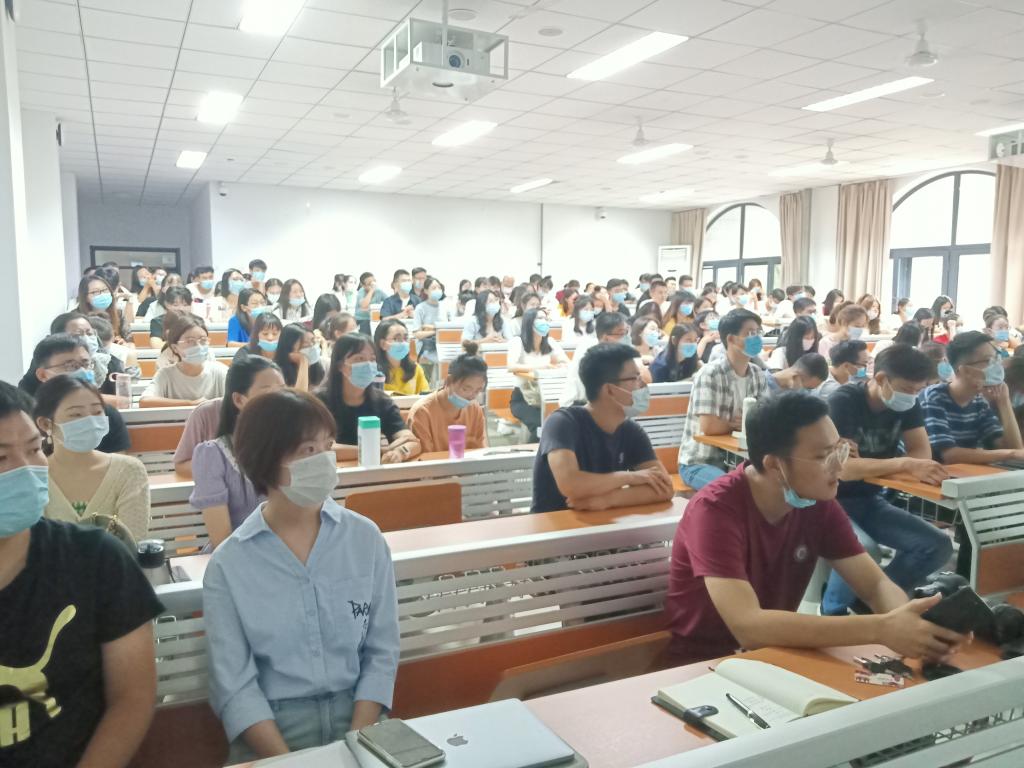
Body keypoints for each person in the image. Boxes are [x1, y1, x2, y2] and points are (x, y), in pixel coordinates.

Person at [665, 390, 967, 664]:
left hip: (775, 654)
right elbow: (749, 627)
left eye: (840, 450)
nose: (839, 466)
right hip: (702, 664)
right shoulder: (715, 510)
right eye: (824, 457)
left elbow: (874, 585)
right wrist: (881, 628)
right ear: (774, 464)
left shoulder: (815, 501)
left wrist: (912, 624)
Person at [203, 389, 399, 761]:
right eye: (308, 450)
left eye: (328, 446)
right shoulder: (230, 564)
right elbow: (235, 687)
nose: (325, 460)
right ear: (266, 461)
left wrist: (357, 742)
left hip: (361, 718)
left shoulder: (365, 538)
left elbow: (382, 651)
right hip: (275, 729)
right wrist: (288, 761)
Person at [0, 380, 164, 767]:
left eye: (34, 449)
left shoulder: (95, 559)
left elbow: (132, 698)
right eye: (1, 457)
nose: (26, 469)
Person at [821, 344, 954, 616]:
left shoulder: (907, 404)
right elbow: (843, 469)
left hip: (868, 499)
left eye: (918, 390)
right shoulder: (844, 401)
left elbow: (921, 453)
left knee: (937, 545)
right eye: (908, 389)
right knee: (862, 549)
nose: (912, 396)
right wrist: (902, 463)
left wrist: (869, 465)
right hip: (828, 501)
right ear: (881, 378)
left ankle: (871, 600)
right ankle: (833, 611)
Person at [532, 343, 673, 513]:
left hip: (603, 522)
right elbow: (570, 484)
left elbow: (665, 488)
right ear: (610, 390)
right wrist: (630, 477)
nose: (643, 384)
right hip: (555, 524)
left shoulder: (631, 431)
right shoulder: (562, 422)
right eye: (635, 378)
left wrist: (608, 500)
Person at [33, 374, 150, 543]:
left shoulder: (129, 470)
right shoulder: (34, 477)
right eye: (76, 414)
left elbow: (132, 543)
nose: (91, 421)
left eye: (97, 412)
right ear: (46, 424)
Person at [190, 358, 286, 547]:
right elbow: (223, 541)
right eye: (268, 391)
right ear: (239, 400)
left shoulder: (294, 448)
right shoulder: (213, 455)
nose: (280, 399)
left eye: (283, 390)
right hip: (237, 557)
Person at [677, 309, 770, 491]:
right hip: (700, 462)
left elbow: (764, 420)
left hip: (741, 460)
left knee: (775, 483)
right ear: (731, 339)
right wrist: (741, 424)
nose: (757, 338)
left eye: (758, 332)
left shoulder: (757, 374)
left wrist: (738, 424)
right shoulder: (710, 373)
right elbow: (709, 427)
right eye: (750, 333)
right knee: (735, 489)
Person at [919, 331, 1024, 466]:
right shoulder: (933, 397)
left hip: (966, 475)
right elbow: (949, 455)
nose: (997, 365)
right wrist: (1010, 454)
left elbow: (1014, 450)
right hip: (936, 475)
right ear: (965, 370)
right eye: (988, 360)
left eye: (997, 358)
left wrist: (1004, 402)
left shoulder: (979, 402)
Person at [316, 333, 422, 463]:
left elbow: (412, 441)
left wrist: (400, 452)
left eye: (372, 359)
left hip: (372, 471)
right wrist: (378, 450)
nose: (367, 364)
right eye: (359, 359)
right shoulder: (319, 403)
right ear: (340, 366)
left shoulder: (382, 401)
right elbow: (322, 449)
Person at [19, 334, 131, 453]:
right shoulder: (24, 419)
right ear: (43, 375)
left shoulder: (106, 414)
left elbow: (119, 460)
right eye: (70, 366)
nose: (82, 371)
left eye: (86, 364)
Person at [408, 344, 488, 453]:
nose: (472, 396)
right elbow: (425, 458)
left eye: (477, 391)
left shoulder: (474, 409)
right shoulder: (422, 412)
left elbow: (481, 450)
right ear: (449, 381)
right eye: (466, 389)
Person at [507, 307, 570, 442]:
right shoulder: (518, 342)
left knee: (565, 421)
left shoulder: (550, 342)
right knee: (540, 426)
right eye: (540, 318)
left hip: (548, 395)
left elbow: (566, 362)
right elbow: (511, 366)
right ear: (529, 322)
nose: (545, 322)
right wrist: (541, 367)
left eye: (546, 319)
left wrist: (561, 365)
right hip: (524, 398)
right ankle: (533, 454)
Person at [140, 314, 228, 407]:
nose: (198, 347)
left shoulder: (220, 371)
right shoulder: (165, 375)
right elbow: (144, 402)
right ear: (175, 348)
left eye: (203, 340)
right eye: (190, 341)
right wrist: (190, 403)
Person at [560, 312, 629, 407]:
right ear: (606, 338)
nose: (626, 338)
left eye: (626, 333)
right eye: (621, 334)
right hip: (577, 405)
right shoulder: (589, 351)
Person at [373, 319, 429, 395]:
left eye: (405, 338)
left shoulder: (416, 369)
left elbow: (425, 396)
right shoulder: (373, 372)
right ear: (383, 344)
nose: (403, 343)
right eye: (397, 339)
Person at [412, 276, 450, 386]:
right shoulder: (420, 308)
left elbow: (450, 328)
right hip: (426, 349)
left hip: (443, 347)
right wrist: (436, 331)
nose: (437, 290)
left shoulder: (445, 307)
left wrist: (431, 327)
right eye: (433, 288)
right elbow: (417, 334)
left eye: (439, 287)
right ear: (426, 291)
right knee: (426, 383)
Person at [74, 273, 130, 340]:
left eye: (105, 290)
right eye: (95, 292)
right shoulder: (75, 318)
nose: (102, 294)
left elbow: (129, 339)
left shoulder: (118, 313)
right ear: (85, 297)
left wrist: (124, 342)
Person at [274, 324, 324, 392]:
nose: (312, 346)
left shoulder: (324, 364)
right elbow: (300, 395)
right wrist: (303, 361)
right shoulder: (276, 374)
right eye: (305, 343)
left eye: (313, 341)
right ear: (289, 348)